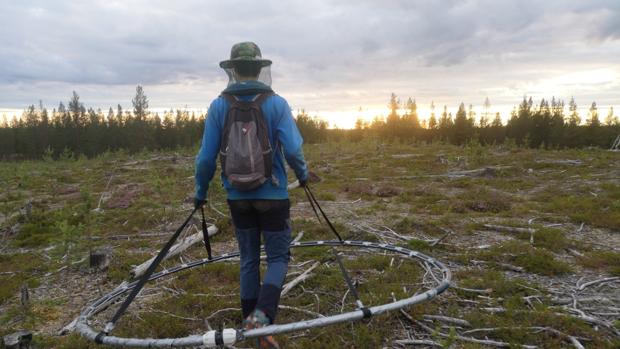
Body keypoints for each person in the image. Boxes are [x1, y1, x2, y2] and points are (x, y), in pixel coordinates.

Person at [194, 42, 308, 348]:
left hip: (237, 196)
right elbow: (294, 149)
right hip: (272, 194)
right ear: (259, 68)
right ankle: (261, 323)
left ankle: (251, 328)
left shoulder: (219, 106)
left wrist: (200, 192)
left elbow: (205, 158)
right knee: (278, 258)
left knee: (247, 259)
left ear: (232, 69)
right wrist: (303, 175)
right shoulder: (277, 104)